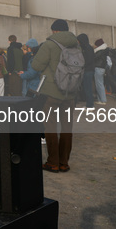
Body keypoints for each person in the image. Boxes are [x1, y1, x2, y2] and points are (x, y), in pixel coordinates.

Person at [31, 19, 80, 173]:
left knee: (50, 127)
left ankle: (53, 162)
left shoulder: (49, 44)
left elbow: (36, 66)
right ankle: (64, 162)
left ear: (55, 31)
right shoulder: (76, 45)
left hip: (51, 93)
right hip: (70, 92)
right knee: (67, 128)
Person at [77, 34, 96, 109]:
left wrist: (82, 65)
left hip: (88, 70)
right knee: (87, 88)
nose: (78, 42)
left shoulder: (88, 48)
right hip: (88, 70)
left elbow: (88, 60)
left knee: (88, 88)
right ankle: (89, 104)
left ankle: (90, 105)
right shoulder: (86, 47)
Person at [93, 39, 109, 105]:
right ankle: (100, 99)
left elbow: (94, 58)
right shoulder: (104, 51)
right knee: (100, 84)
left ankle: (102, 100)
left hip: (98, 68)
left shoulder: (99, 51)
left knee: (99, 84)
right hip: (101, 68)